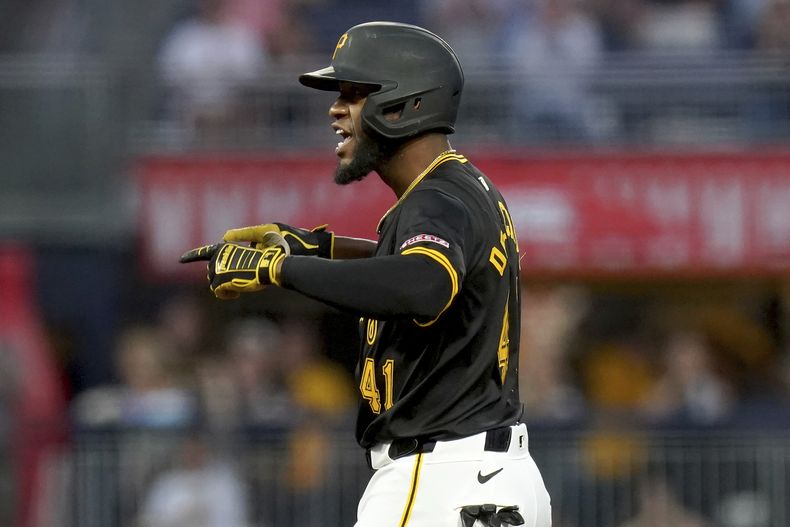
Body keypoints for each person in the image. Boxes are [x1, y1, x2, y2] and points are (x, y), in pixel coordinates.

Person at [181, 21, 552, 527]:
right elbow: (430, 267)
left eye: (355, 94)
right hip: (488, 476)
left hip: (440, 476)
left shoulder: (435, 200)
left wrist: (281, 267)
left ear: (407, 105)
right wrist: (323, 248)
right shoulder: (458, 187)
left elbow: (423, 286)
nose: (336, 110)